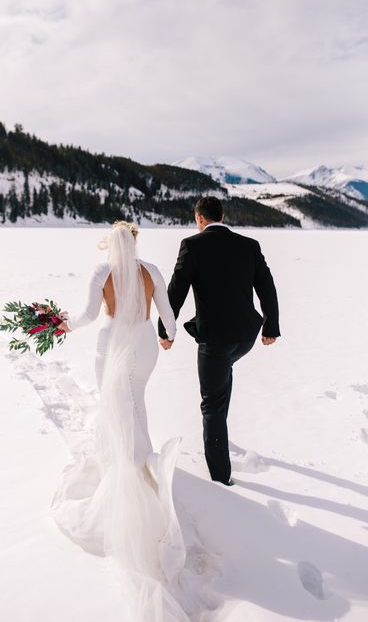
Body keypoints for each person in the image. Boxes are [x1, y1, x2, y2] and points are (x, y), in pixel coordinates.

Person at [48, 221, 219, 622]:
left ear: (112, 243)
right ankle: (142, 463)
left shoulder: (102, 271)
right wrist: (170, 334)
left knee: (116, 407)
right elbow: (167, 313)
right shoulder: (152, 271)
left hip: (113, 345)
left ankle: (129, 470)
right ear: (136, 242)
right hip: (144, 346)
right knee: (135, 403)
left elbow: (90, 315)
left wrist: (60, 324)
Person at [158, 196, 280, 486]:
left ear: (200, 219)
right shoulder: (249, 245)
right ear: (222, 217)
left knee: (211, 405)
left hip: (216, 340)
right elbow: (267, 287)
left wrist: (165, 331)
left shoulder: (192, 245)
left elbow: (176, 291)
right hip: (245, 337)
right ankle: (221, 437)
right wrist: (271, 326)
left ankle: (220, 481)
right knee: (223, 377)